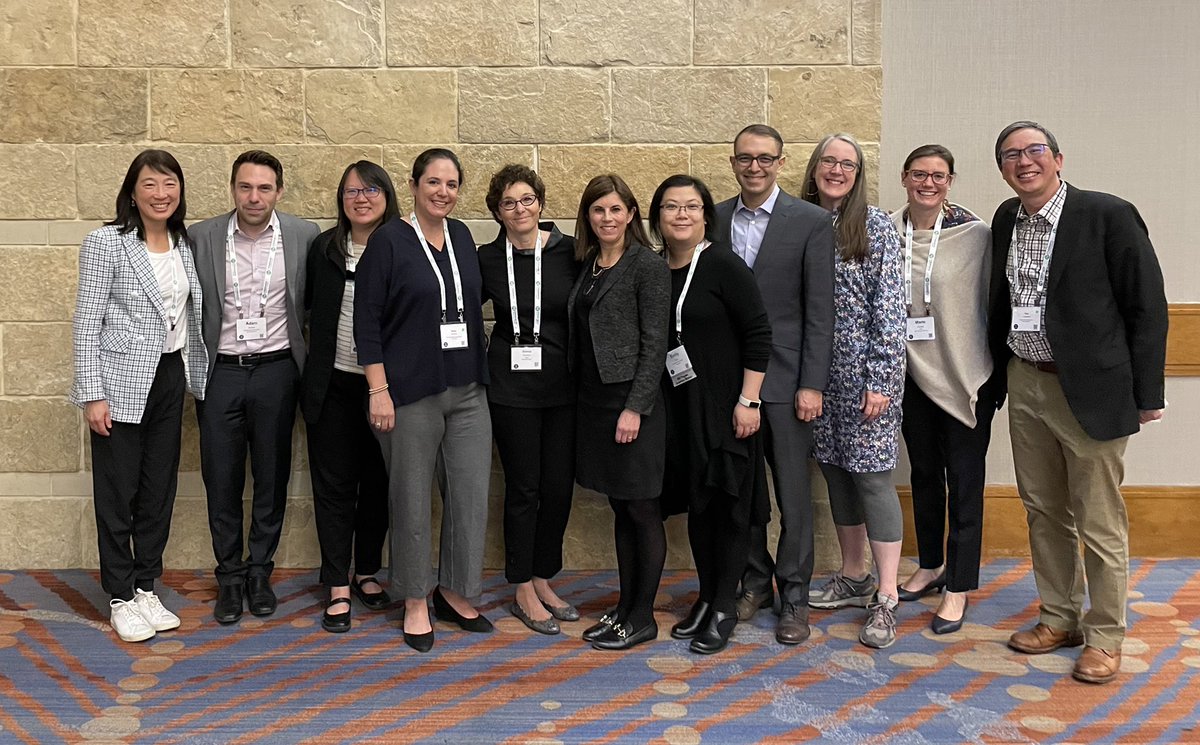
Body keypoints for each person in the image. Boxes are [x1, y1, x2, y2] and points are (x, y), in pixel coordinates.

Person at [987, 121, 1167, 684]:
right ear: (1002, 168)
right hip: (1026, 381)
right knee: (1043, 509)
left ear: (1059, 159)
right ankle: (1059, 616)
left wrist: (1147, 391)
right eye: (1011, 155)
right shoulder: (1004, 219)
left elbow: (1147, 305)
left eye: (1035, 150)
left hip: (1090, 387)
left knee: (1098, 517)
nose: (1024, 162)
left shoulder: (1107, 214)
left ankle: (1106, 635)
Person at [355, 148, 493, 653]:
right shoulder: (389, 241)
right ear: (413, 186)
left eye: (452, 184)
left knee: (469, 494)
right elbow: (365, 323)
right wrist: (378, 390)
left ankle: (454, 591)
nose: (443, 192)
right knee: (411, 499)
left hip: (468, 389)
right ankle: (414, 598)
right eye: (433, 182)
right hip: (409, 394)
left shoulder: (460, 237)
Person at [70, 149, 209, 643]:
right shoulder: (107, 243)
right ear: (133, 191)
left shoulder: (183, 244)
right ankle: (120, 595)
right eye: (149, 184)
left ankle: (147, 584)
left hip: (169, 376)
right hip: (120, 383)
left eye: (169, 183)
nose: (160, 194)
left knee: (158, 489)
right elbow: (87, 323)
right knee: (117, 492)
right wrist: (92, 394)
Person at [714, 124, 835, 645]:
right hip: (727, 381)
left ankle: (796, 594)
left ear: (781, 163)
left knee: (792, 494)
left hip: (787, 383)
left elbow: (819, 312)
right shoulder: (712, 217)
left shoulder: (809, 221)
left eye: (765, 158)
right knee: (741, 494)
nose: (755, 167)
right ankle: (755, 580)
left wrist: (813, 384)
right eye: (746, 158)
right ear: (734, 162)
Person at [190, 151, 320, 625]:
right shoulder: (201, 236)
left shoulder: (304, 236)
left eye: (264, 188)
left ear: (279, 192)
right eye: (246, 187)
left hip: (277, 370)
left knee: (271, 474)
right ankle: (229, 576)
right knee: (220, 478)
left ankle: (260, 571)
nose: (254, 197)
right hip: (221, 371)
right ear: (232, 189)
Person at [650, 175, 772, 655]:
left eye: (692, 206)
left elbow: (759, 334)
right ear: (658, 217)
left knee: (729, 508)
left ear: (705, 216)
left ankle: (725, 604)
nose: (682, 214)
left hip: (727, 407)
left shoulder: (723, 263)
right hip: (680, 409)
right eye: (671, 206)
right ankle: (705, 596)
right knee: (699, 507)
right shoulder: (655, 268)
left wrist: (749, 401)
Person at [801, 133, 907, 650]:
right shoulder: (800, 221)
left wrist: (882, 379)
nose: (837, 170)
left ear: (858, 172)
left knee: (872, 481)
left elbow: (890, 306)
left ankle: (885, 596)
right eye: (829, 161)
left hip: (868, 377)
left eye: (848, 163)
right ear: (815, 168)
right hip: (819, 378)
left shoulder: (874, 224)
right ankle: (853, 575)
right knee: (838, 475)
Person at [890, 145, 994, 634]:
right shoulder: (886, 232)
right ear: (904, 177)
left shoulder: (975, 236)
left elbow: (998, 300)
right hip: (910, 376)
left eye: (938, 175)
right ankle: (930, 564)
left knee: (965, 483)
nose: (927, 183)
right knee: (925, 475)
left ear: (950, 181)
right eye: (918, 174)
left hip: (965, 376)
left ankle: (959, 585)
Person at [478, 165, 581, 635]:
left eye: (527, 200)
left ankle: (543, 578)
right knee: (524, 488)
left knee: (558, 488)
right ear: (496, 212)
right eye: (508, 203)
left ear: (540, 202)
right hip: (510, 389)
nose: (519, 210)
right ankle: (520, 584)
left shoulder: (570, 252)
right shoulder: (485, 259)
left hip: (564, 388)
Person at [570, 174, 670, 651]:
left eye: (616, 210)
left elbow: (656, 346)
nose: (607, 218)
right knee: (620, 505)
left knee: (642, 508)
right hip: (594, 402)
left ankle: (643, 616)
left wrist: (636, 408)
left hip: (633, 405)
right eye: (598, 210)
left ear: (631, 214)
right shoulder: (589, 262)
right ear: (588, 217)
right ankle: (625, 605)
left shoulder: (646, 266)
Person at [300, 161, 399, 633]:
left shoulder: (404, 245)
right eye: (352, 191)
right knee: (335, 487)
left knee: (378, 486)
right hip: (333, 385)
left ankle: (367, 571)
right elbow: (308, 311)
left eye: (371, 189)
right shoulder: (325, 248)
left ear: (388, 195)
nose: (361, 198)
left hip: (388, 389)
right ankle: (338, 583)